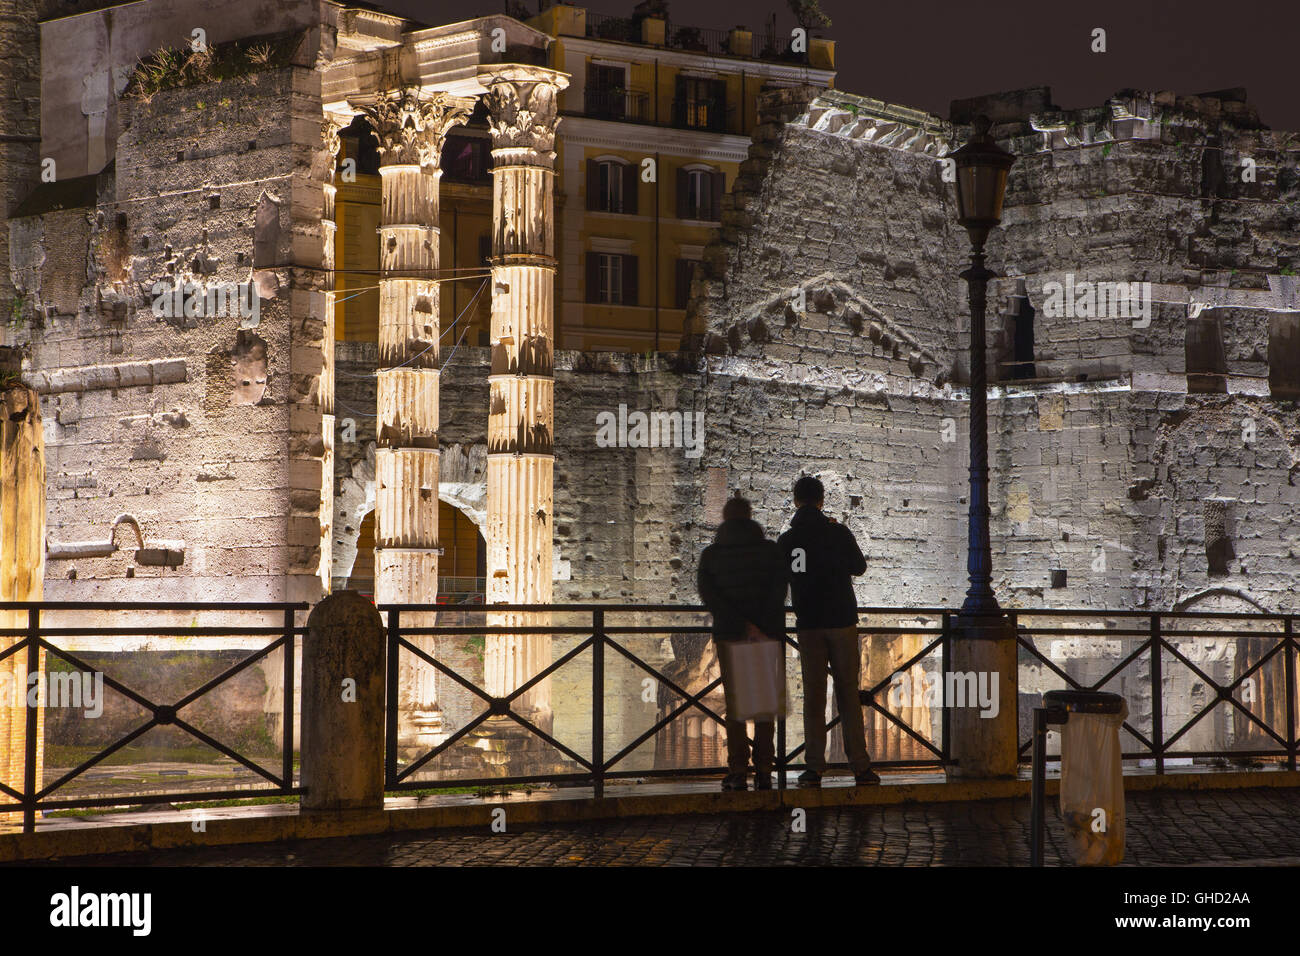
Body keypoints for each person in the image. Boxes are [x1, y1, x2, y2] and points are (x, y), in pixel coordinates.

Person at [777, 475, 880, 787]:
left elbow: (782, 581)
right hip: (842, 620)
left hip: (809, 623)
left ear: (796, 501)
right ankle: (860, 766)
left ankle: (814, 767)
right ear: (821, 501)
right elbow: (859, 567)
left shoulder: (788, 540)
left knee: (814, 697)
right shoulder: (837, 532)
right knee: (849, 694)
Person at [697, 495, 788, 791]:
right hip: (763, 634)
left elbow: (709, 596)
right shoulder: (770, 551)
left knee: (735, 705)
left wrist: (738, 622)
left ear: (725, 518)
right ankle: (764, 769)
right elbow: (778, 591)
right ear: (750, 517)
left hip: (729, 634)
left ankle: (737, 769)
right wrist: (757, 624)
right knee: (762, 706)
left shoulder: (712, 555)